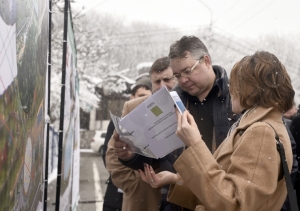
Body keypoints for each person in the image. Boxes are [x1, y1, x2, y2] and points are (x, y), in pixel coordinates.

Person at [141, 51, 295, 211]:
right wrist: (175, 179)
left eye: (236, 84)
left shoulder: (261, 131)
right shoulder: (260, 125)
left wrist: (194, 143)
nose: (231, 90)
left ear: (250, 89)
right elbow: (221, 191)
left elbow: (234, 203)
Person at [112, 36, 240, 211]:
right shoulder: (168, 102)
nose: (183, 80)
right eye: (178, 75)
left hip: (223, 201)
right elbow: (154, 157)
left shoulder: (238, 98)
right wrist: (130, 156)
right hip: (177, 203)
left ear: (207, 61)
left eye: (188, 71)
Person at [105, 56, 177, 211]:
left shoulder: (188, 105)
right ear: (151, 84)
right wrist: (135, 184)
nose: (162, 86)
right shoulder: (134, 107)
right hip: (143, 198)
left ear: (177, 78)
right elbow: (113, 152)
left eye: (167, 79)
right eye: (157, 82)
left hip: (181, 196)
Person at [102, 83, 152, 211]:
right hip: (117, 193)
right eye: (141, 96)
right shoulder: (118, 120)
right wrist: (131, 182)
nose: (143, 100)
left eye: (147, 97)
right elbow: (108, 155)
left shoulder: (152, 122)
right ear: (131, 97)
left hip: (145, 194)